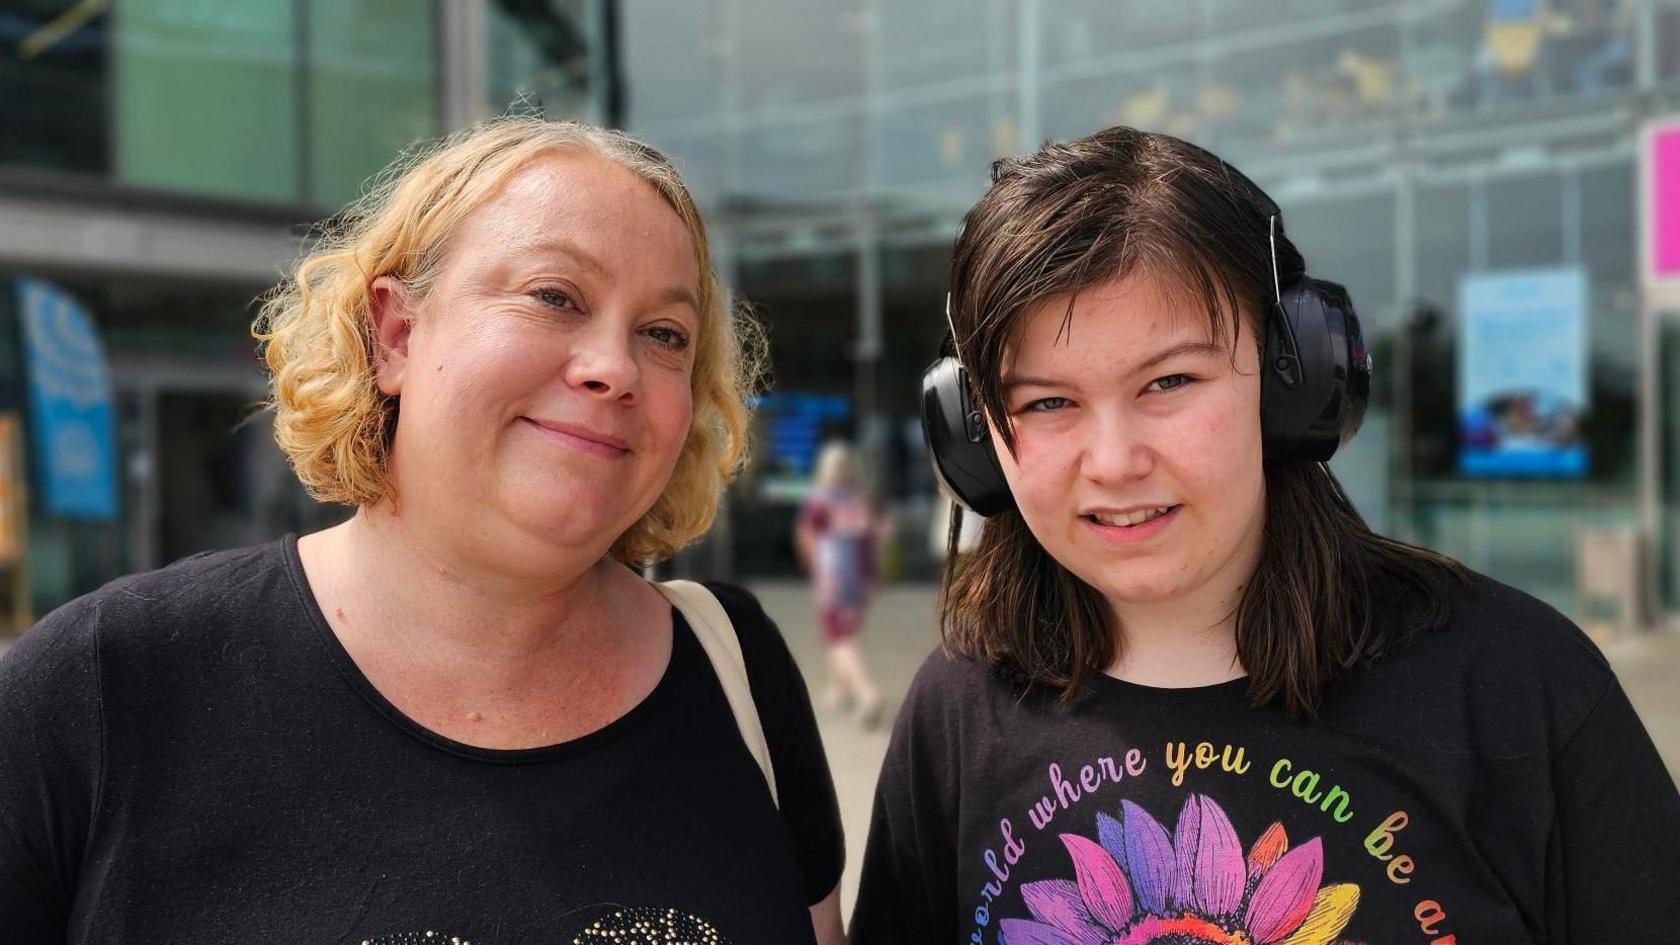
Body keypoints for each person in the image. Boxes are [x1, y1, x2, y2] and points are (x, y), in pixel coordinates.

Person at [0, 118, 845, 945]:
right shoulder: (102, 685)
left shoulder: (739, 668)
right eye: (554, 296)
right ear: (395, 334)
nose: (614, 368)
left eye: (664, 335)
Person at [849, 125, 1680, 942]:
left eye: (1170, 380)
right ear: (974, 433)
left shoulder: (1514, 686)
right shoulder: (953, 715)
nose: (1113, 460)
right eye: (1045, 402)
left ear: (1295, 380)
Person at [796, 440, 884, 728]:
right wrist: (871, 576)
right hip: (857, 578)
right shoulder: (859, 500)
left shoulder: (820, 500)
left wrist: (817, 573)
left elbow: (807, 537)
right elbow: (872, 541)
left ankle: (866, 693)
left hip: (833, 576)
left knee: (839, 638)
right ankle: (838, 689)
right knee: (841, 632)